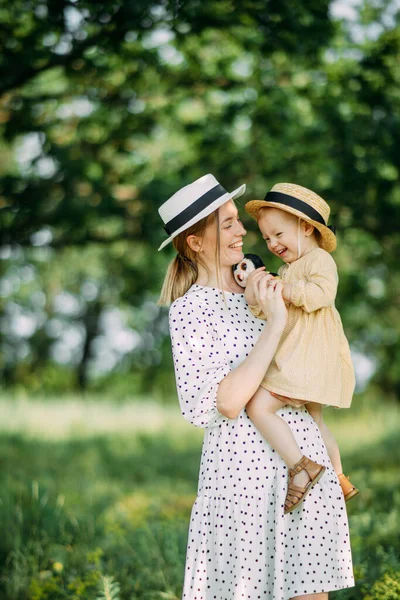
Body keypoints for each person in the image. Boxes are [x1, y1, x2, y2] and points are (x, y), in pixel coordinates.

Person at [158, 173, 354, 600]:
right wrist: (277, 322)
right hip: (241, 476)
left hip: (303, 463)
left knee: (311, 594)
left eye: (237, 221)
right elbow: (225, 403)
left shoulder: (265, 284)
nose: (242, 231)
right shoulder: (190, 310)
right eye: (227, 223)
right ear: (196, 242)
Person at [243, 183, 358, 514]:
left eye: (278, 234)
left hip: (308, 359)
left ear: (306, 227)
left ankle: (300, 466)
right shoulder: (287, 270)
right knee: (316, 422)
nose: (272, 244)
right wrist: (257, 298)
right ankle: (339, 476)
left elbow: (320, 294)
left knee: (259, 406)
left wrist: (284, 288)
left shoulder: (320, 259)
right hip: (305, 358)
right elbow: (275, 309)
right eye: (266, 239)